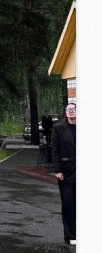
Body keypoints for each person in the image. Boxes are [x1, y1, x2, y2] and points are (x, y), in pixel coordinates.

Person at [51, 102, 76, 245]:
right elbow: (55, 151)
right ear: (65, 112)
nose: (71, 111)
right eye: (69, 109)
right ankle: (70, 236)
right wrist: (57, 170)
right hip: (66, 172)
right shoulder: (58, 128)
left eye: (74, 109)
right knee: (68, 203)